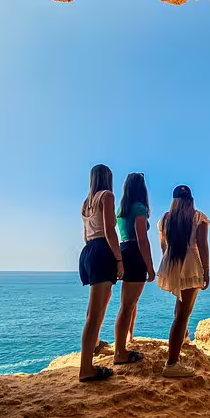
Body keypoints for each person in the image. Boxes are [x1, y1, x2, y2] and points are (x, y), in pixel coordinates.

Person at [157, 185, 210, 378]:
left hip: (171, 263)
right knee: (183, 314)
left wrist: (170, 268)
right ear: (190, 200)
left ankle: (184, 338)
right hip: (189, 265)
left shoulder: (165, 219)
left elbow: (163, 246)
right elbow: (202, 246)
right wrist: (206, 271)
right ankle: (172, 364)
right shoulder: (198, 217)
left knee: (180, 308)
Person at [78, 164, 123, 382]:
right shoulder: (107, 196)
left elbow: (87, 233)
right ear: (108, 179)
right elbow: (109, 230)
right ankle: (86, 368)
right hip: (102, 250)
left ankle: (94, 346)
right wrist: (119, 259)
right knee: (95, 315)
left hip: (88, 250)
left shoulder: (86, 203)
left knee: (95, 308)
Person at [114, 173, 155, 365]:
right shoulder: (139, 208)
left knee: (130, 302)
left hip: (124, 250)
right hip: (135, 253)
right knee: (128, 305)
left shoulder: (121, 210)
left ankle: (129, 338)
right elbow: (142, 240)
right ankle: (120, 352)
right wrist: (150, 266)